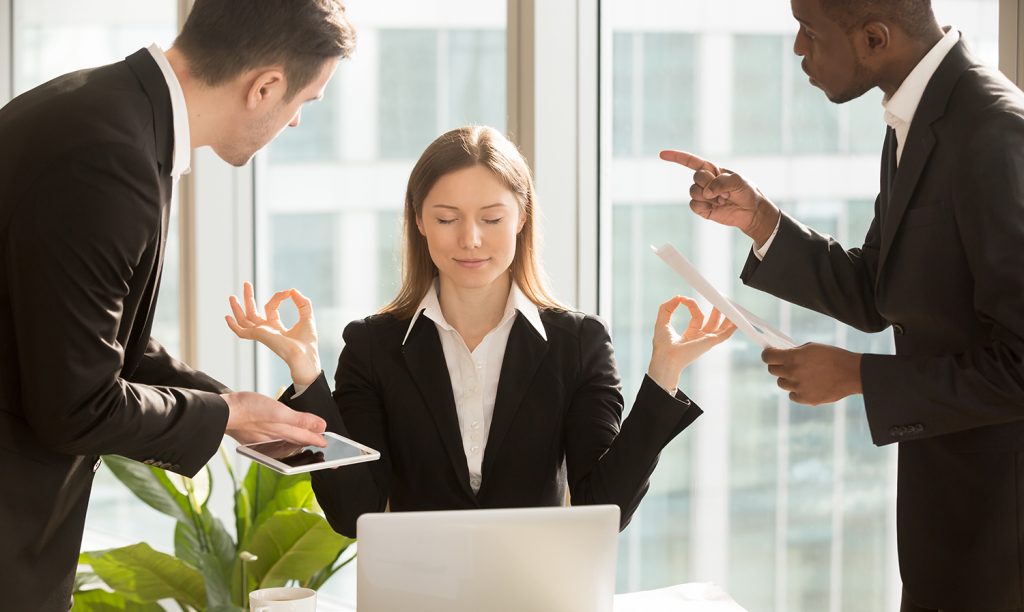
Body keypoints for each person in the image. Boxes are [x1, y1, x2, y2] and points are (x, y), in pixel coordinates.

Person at [661, 0, 1024, 610]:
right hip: (947, 514)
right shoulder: (917, 117)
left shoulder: (993, 130)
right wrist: (759, 219)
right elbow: (877, 289)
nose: (799, 50)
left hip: (1001, 534)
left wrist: (859, 375)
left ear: (874, 38)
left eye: (810, 33)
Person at [0, 1, 356, 609]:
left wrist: (237, 409)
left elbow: (88, 333)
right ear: (265, 86)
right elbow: (76, 407)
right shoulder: (111, 160)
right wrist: (224, 413)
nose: (294, 122)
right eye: (305, 102)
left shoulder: (99, 107)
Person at [226, 125, 736, 537]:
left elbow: (605, 508)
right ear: (420, 221)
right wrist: (305, 371)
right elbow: (353, 513)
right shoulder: (373, 345)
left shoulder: (577, 343)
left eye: (491, 218)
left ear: (521, 218)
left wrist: (663, 373)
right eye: (447, 219)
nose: (470, 240)